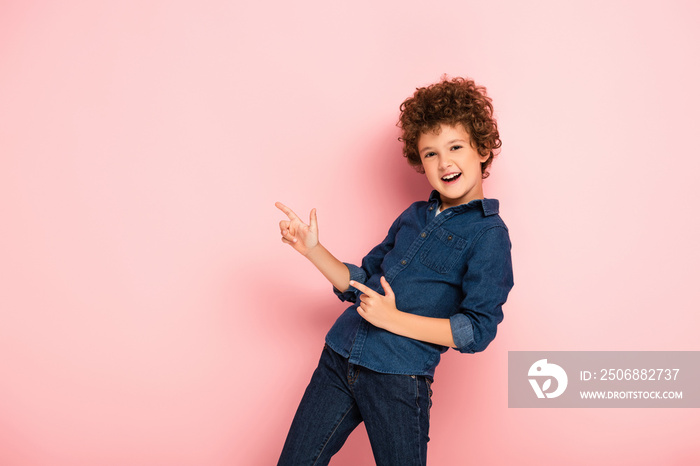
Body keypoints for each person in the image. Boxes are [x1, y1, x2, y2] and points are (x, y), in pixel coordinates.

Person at [275, 76, 514, 466]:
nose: (444, 162)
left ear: (482, 149)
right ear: (419, 162)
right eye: (431, 153)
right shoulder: (413, 216)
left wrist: (394, 319)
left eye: (455, 147)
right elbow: (362, 283)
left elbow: (476, 329)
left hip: (398, 378)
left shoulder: (489, 236)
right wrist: (312, 250)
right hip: (340, 356)